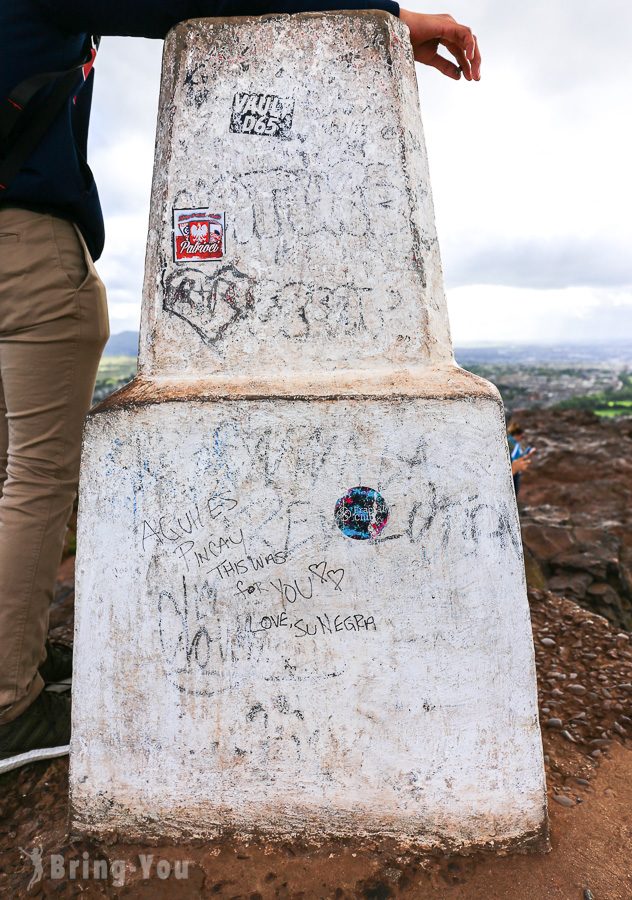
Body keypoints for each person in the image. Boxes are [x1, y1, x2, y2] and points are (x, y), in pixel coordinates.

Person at [0, 1, 481, 769]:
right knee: (33, 479)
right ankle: (8, 710)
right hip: (22, 243)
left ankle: (10, 662)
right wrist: (387, 17)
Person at [507, 421, 536, 496]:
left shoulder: (514, 443)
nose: (521, 439)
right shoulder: (511, 443)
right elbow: (515, 458)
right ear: (517, 435)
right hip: (512, 472)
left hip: (515, 471)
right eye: (521, 437)